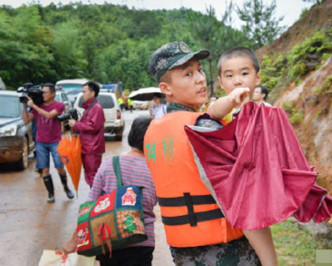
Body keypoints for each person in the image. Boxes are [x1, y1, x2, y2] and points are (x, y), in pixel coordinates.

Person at [144, 41, 277, 265]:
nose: (200, 79)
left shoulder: (152, 132)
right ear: (166, 89)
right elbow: (243, 205)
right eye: (187, 74)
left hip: (183, 253)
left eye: (199, 70)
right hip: (227, 253)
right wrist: (270, 261)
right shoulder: (203, 129)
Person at [63, 116, 157, 266]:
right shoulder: (157, 170)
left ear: (131, 136)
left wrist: (75, 240)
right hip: (142, 241)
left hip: (108, 239)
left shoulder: (109, 164)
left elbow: (89, 206)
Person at [22, 83, 74, 203]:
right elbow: (26, 120)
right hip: (40, 142)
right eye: (42, 92)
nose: (42, 94)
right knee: (45, 170)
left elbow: (50, 116)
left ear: (53, 94)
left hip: (55, 141)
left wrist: (34, 106)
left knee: (59, 166)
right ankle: (51, 194)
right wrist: (25, 106)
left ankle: (66, 187)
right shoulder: (37, 105)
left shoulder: (59, 105)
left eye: (45, 92)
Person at [68, 81, 105, 187]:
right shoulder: (89, 108)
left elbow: (93, 127)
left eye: (84, 92)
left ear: (92, 93)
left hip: (92, 148)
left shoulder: (96, 108)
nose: (82, 94)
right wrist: (76, 124)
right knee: (90, 176)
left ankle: (97, 201)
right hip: (88, 147)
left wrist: (76, 124)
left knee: (93, 177)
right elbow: (86, 125)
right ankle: (96, 200)